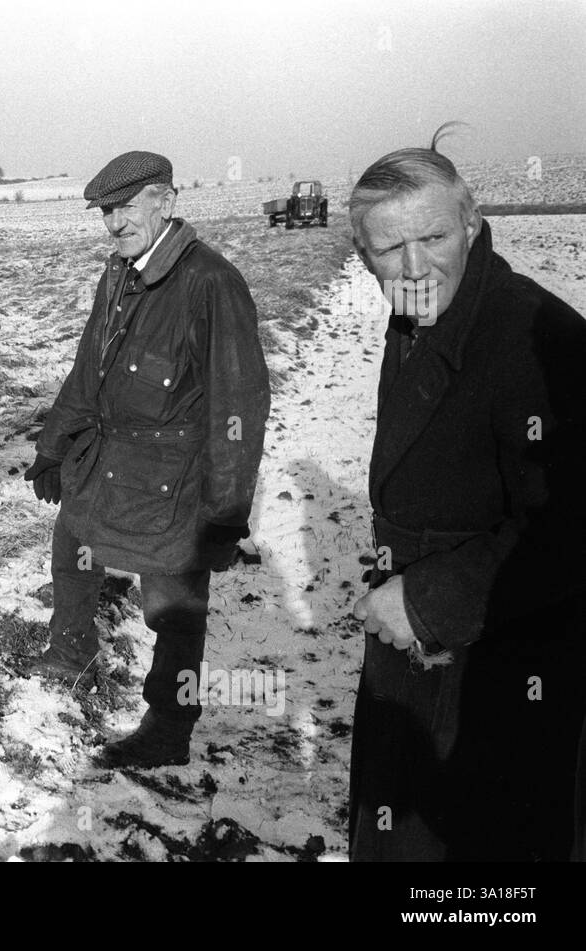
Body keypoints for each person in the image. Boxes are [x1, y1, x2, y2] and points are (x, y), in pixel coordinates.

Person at [347, 132, 586, 861]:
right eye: (390, 248)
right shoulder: (423, 314)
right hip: (422, 659)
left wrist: (424, 601)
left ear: (473, 222)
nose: (414, 265)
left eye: (434, 236)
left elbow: (570, 525)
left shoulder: (536, 338)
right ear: (362, 254)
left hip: (499, 671)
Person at [24, 151, 270, 768]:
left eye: (125, 208)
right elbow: (87, 371)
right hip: (105, 458)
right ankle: (70, 651)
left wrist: (225, 513)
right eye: (105, 211)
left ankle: (168, 726)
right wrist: (53, 447)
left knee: (175, 605)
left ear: (166, 201)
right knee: (71, 547)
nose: (113, 223)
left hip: (171, 480)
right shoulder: (118, 274)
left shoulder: (211, 282)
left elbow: (238, 408)